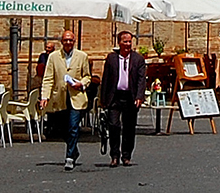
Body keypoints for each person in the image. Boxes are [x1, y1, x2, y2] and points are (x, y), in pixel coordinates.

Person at [39, 28, 93, 171]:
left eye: (70, 40)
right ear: (62, 42)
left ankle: (69, 157)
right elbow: (48, 78)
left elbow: (87, 76)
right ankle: (74, 150)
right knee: (62, 128)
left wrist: (81, 83)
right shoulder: (54, 57)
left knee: (73, 126)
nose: (68, 42)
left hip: (77, 97)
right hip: (60, 97)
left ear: (74, 41)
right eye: (65, 40)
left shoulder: (82, 56)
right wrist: (45, 96)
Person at [100, 28, 148, 167]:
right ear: (119, 43)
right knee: (114, 125)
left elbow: (141, 80)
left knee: (129, 127)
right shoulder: (112, 58)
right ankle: (114, 155)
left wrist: (140, 96)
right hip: (114, 97)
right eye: (125, 41)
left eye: (129, 41)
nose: (127, 44)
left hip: (130, 97)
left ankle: (126, 155)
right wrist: (103, 99)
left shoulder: (138, 59)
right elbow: (106, 79)